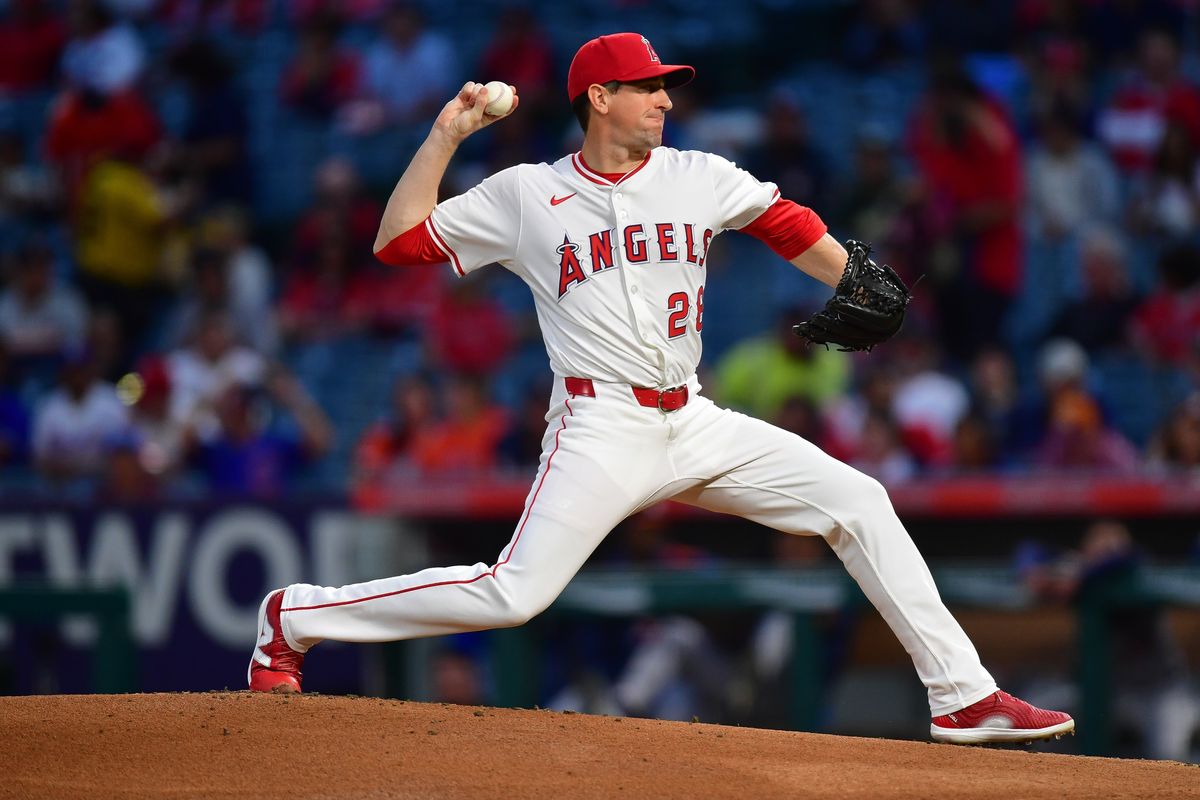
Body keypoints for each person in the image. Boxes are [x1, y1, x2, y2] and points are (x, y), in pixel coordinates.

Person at [248, 32, 1074, 745]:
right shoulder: (528, 194)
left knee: (859, 499)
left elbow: (782, 220)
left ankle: (963, 697)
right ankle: (296, 618)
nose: (665, 101)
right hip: (600, 426)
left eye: (666, 87)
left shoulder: (695, 173)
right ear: (599, 97)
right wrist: (445, 133)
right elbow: (398, 244)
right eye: (648, 87)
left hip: (696, 418)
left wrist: (849, 277)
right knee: (514, 594)